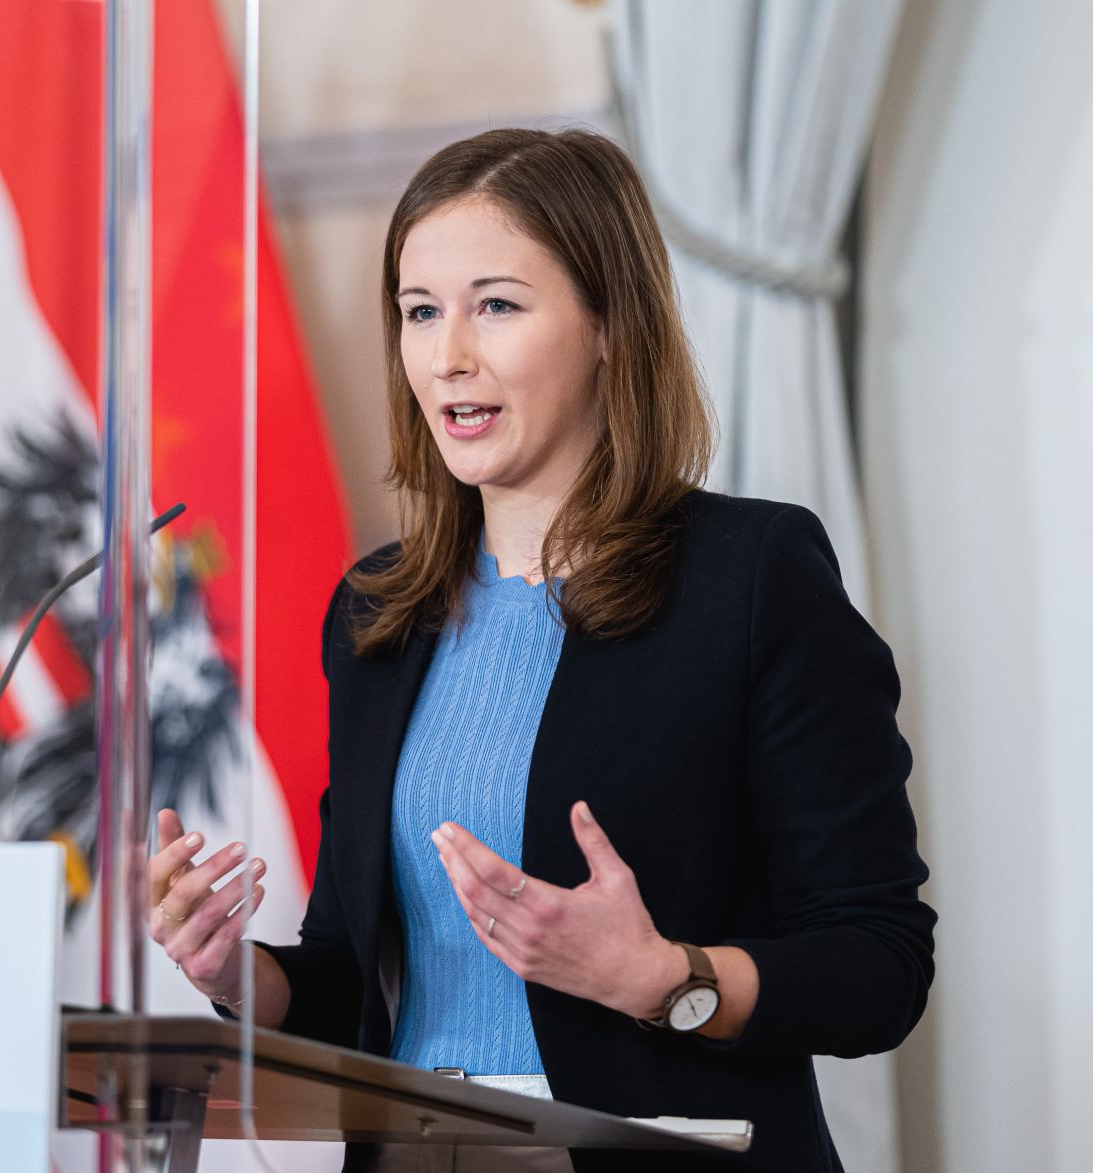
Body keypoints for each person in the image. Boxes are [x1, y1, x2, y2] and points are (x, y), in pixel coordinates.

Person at [146, 128, 934, 1172]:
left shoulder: (750, 575)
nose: (445, 355)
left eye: (495, 305)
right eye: (418, 311)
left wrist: (661, 977)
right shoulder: (378, 613)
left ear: (607, 325)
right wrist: (236, 978)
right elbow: (351, 972)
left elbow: (878, 964)